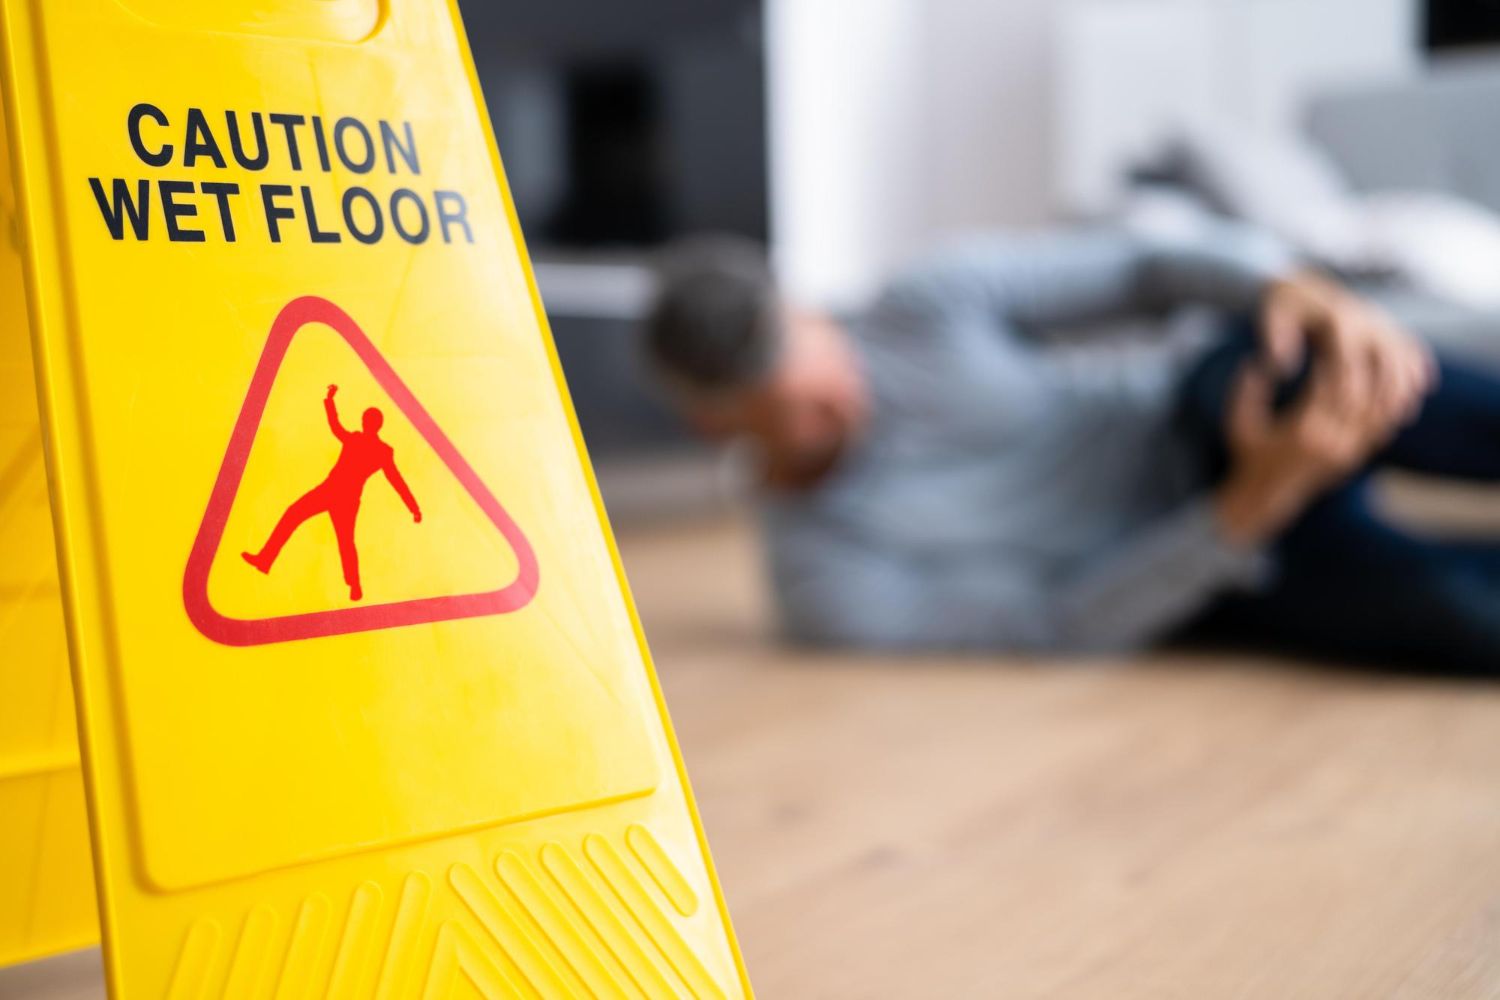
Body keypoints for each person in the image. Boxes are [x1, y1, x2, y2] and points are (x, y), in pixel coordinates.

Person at [642, 228, 1500, 673]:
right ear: (717, 431)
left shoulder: (924, 304)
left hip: (1201, 408)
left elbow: (1143, 268)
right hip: (1203, 564)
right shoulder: (824, 583)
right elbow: (1055, 624)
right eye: (803, 413)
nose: (845, 397)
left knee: (1332, 365)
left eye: (821, 355)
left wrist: (1305, 293)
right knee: (1450, 610)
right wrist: (1255, 503)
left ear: (808, 314)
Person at [243, 384, 422, 601]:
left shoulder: (363, 442)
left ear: (371, 424)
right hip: (338, 493)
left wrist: (330, 400)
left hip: (337, 493)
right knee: (308, 522)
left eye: (367, 420)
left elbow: (336, 427)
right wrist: (413, 508)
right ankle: (267, 560)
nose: (365, 422)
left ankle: (353, 584)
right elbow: (397, 482)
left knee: (337, 537)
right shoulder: (381, 450)